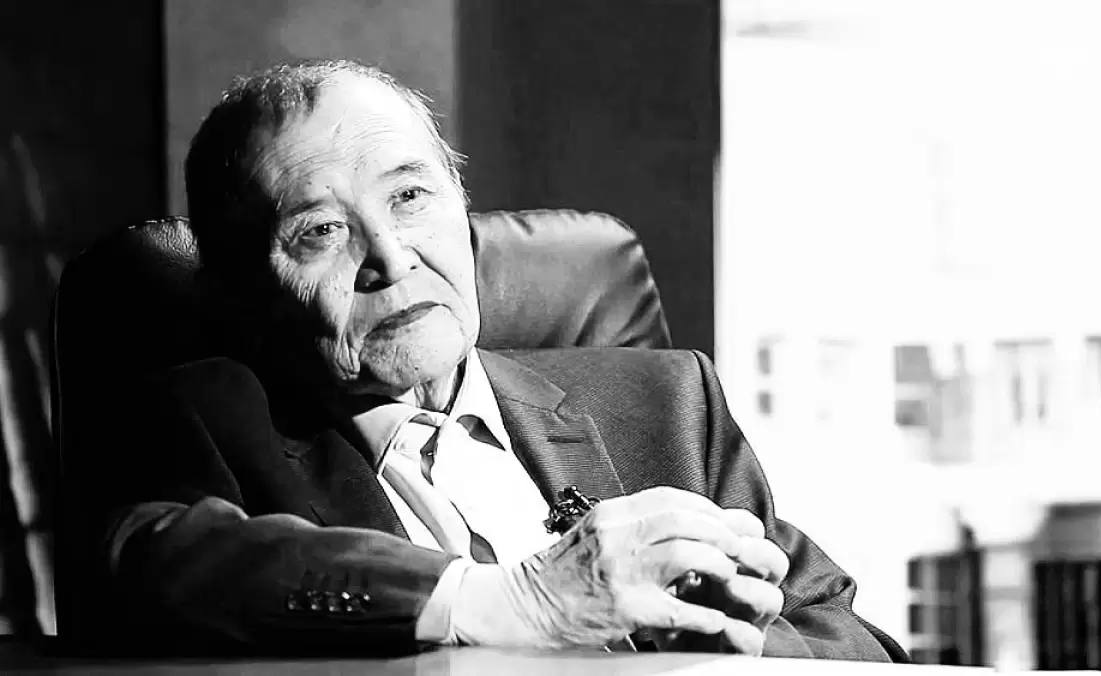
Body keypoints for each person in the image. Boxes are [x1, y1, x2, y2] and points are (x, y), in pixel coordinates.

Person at [83, 59, 905, 661]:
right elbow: (148, 563)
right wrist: (507, 600)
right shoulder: (205, 417)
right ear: (241, 288)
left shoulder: (666, 402)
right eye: (321, 230)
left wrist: (722, 646)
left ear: (462, 205)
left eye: (410, 196)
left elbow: (849, 636)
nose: (391, 257)